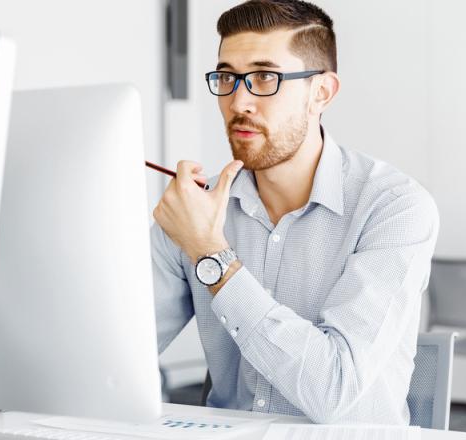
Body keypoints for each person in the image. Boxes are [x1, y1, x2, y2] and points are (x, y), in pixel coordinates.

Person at [151, 0, 439, 425]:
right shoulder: (195, 207)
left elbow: (333, 390)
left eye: (265, 77)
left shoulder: (395, 207)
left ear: (320, 92)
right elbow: (119, 349)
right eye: (227, 77)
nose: (239, 101)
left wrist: (211, 254)